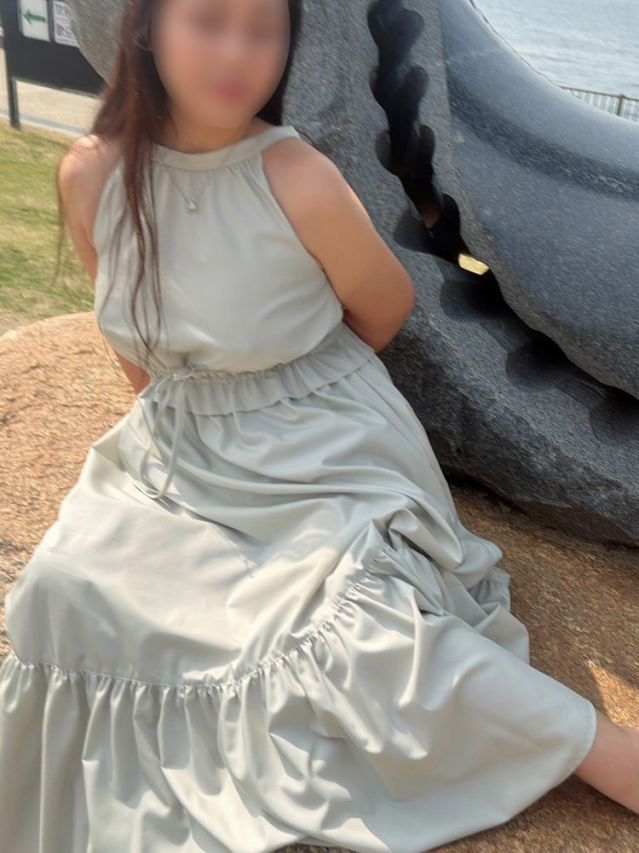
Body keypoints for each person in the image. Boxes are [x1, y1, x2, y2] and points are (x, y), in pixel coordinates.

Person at [0, 0, 636, 850]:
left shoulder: (295, 175)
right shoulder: (89, 175)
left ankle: (602, 753)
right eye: (209, 22)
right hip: (180, 440)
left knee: (354, 629)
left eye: (262, 31)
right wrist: (183, 433)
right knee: (62, 598)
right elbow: (133, 345)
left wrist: (284, 379)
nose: (237, 52)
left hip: (320, 433)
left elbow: (385, 305)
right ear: (148, 28)